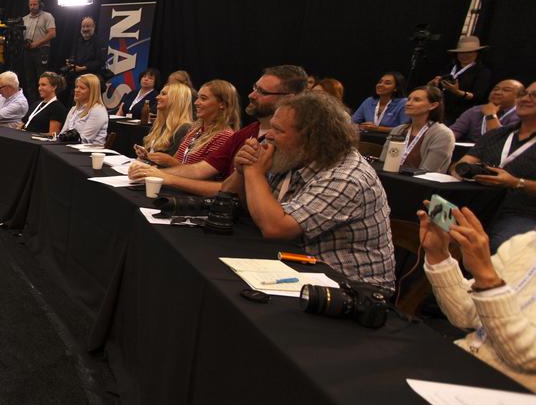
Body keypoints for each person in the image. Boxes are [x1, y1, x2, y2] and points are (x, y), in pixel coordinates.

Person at [222, 92, 395, 291]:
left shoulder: (346, 177)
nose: (268, 135)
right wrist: (241, 170)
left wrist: (254, 172)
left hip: (352, 288)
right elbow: (228, 195)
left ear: (311, 139)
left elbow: (275, 228)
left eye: (278, 130)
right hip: (298, 266)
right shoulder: (293, 156)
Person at [420, 210, 536, 391]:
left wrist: (486, 277)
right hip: (463, 364)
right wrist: (439, 255)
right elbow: (466, 314)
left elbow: (526, 355)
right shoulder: (524, 243)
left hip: (510, 394)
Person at [128, 77, 251, 192]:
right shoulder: (195, 130)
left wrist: (160, 170)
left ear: (222, 104)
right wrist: (150, 169)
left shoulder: (224, 136)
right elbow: (179, 164)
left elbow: (205, 178)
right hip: (177, 189)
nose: (196, 103)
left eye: (203, 98)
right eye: (197, 98)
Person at [455, 81, 536, 249]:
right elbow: (461, 165)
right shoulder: (498, 134)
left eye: (534, 95)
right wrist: (464, 171)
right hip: (477, 204)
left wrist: (516, 183)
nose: (526, 99)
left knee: (501, 246)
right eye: (524, 94)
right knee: (429, 227)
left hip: (521, 212)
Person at [379, 85, 454, 173]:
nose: (408, 103)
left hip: (418, 184)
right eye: (409, 99)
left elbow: (428, 172)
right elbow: (382, 163)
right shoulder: (398, 130)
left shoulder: (442, 134)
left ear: (433, 105)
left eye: (417, 100)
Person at [431, 35, 492, 124]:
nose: (465, 56)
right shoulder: (449, 67)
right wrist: (433, 84)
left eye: (469, 53)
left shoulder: (482, 72)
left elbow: (478, 96)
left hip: (462, 114)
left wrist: (457, 92)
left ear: (477, 53)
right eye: (461, 53)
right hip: (440, 110)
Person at [450, 79, 523, 140]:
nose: (497, 92)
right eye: (495, 89)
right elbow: (455, 131)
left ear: (519, 97)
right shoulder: (475, 111)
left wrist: (491, 115)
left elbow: (501, 141)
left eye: (506, 90)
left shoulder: (521, 115)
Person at [137, 82, 193, 156]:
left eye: (163, 94)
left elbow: (173, 163)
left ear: (176, 99)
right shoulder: (159, 124)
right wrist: (145, 156)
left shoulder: (184, 128)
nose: (157, 97)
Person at [21, 0, 55, 101]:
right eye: (30, 4)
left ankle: (43, 102)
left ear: (40, 4)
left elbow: (52, 33)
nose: (32, 6)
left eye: (35, 4)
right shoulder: (24, 19)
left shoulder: (47, 16)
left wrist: (37, 43)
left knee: (41, 77)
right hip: (27, 51)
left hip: (41, 50)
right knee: (29, 79)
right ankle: (32, 103)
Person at [58, 74, 108, 145]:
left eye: (82, 88)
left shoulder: (98, 110)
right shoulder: (74, 109)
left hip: (89, 152)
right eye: (76, 87)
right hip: (70, 147)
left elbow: (84, 139)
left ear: (92, 91)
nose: (77, 90)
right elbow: (63, 133)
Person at [66, 17, 103, 85]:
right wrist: (70, 63)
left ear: (93, 27)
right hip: (77, 77)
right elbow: (73, 56)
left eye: (88, 26)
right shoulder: (78, 41)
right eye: (83, 26)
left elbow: (100, 61)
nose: (85, 29)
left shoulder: (98, 41)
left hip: (92, 78)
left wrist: (84, 68)